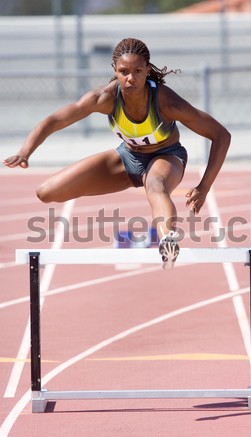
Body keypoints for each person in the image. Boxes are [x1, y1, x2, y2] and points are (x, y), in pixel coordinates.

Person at [3, 37, 231, 269]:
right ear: (115, 70)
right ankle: (162, 229)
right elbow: (53, 121)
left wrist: (204, 186)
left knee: (155, 185)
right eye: (124, 71)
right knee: (46, 192)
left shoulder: (166, 102)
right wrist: (25, 152)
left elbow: (221, 135)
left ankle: (168, 242)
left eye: (138, 71)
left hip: (166, 156)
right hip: (128, 158)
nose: (130, 78)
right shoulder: (104, 98)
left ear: (147, 71)